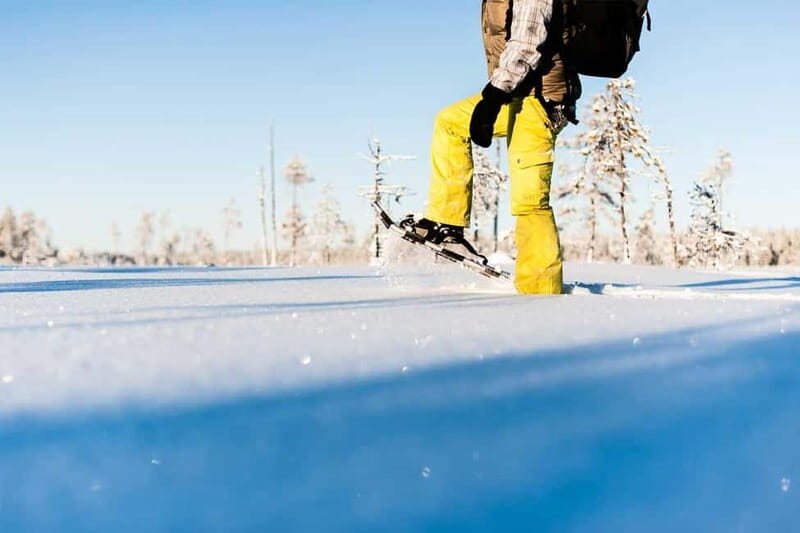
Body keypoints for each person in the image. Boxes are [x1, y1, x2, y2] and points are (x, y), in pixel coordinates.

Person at [411, 0, 581, 295]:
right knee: (450, 122)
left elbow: (527, 43)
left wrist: (492, 98)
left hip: (541, 101)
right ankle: (447, 225)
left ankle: (541, 292)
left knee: (529, 200)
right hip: (518, 95)